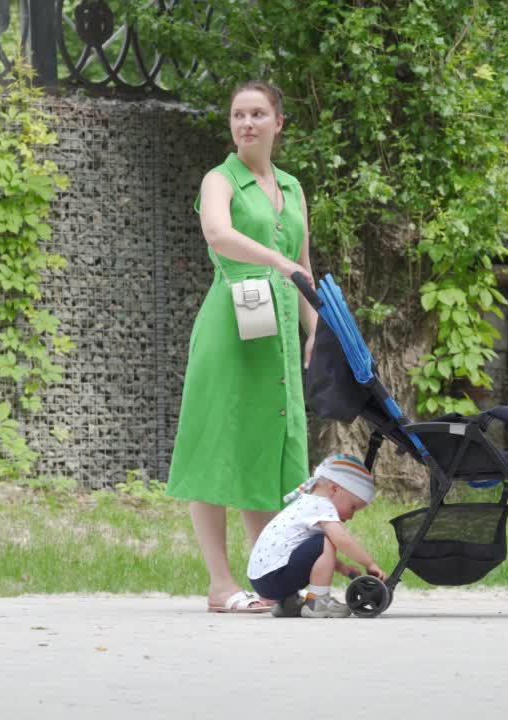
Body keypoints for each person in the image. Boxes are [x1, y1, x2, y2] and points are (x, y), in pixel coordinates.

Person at [165, 80, 319, 614]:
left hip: (276, 329)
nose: (246, 123)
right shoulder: (219, 179)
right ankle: (220, 583)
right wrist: (276, 262)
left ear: (279, 122)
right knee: (216, 443)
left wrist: (316, 325)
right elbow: (218, 234)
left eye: (257, 114)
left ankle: (269, 574)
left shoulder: (294, 189)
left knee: (267, 442)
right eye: (238, 115)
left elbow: (303, 265)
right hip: (233, 319)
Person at [246, 454, 386, 619]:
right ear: (334, 489)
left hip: (261, 579)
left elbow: (307, 554)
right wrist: (369, 563)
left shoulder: (306, 503)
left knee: (319, 542)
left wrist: (342, 567)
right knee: (328, 539)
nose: (351, 516)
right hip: (276, 576)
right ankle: (318, 601)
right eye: (353, 507)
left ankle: (287, 603)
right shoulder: (322, 505)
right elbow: (341, 541)